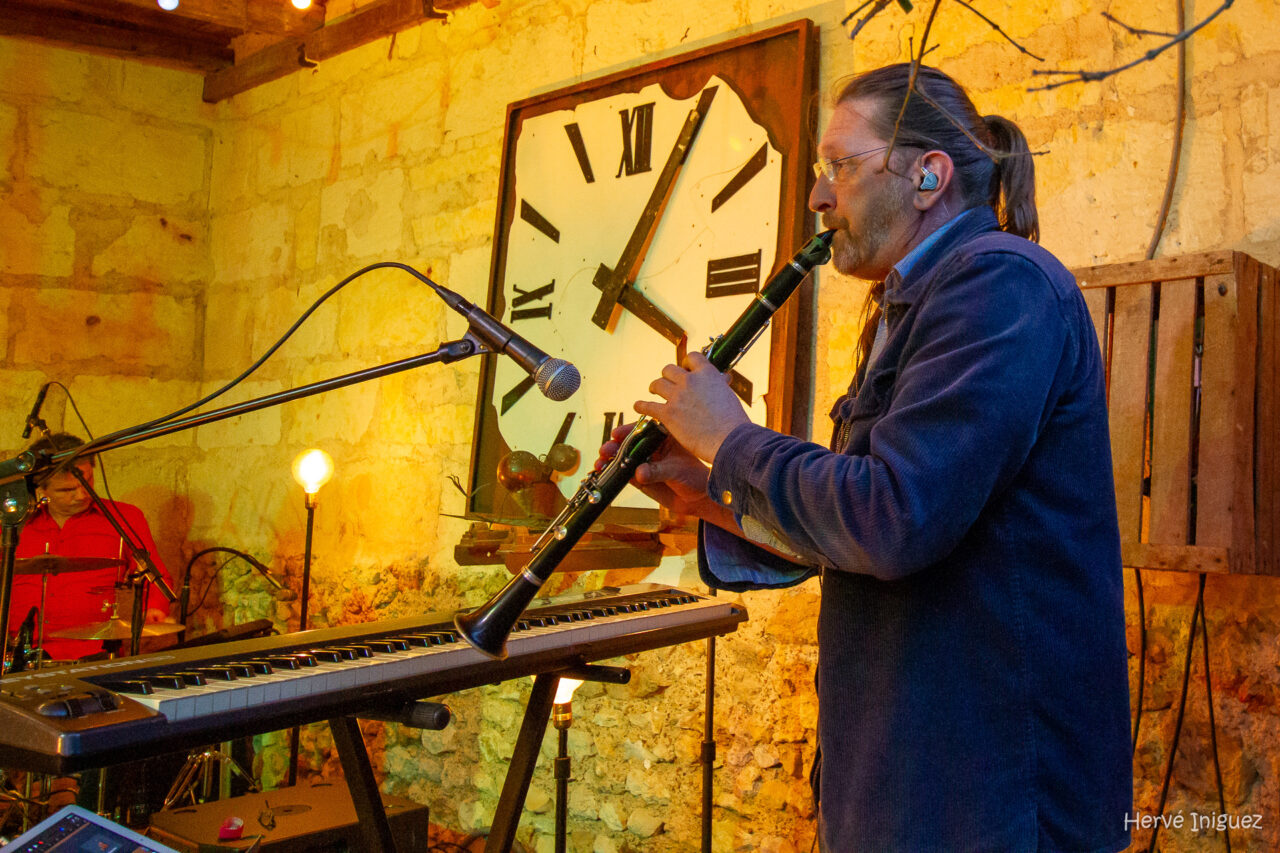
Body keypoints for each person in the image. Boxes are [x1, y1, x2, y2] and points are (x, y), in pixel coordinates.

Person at [599, 64, 1132, 851]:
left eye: (840, 166)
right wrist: (704, 482)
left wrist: (730, 439)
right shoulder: (914, 301)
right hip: (912, 780)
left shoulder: (1000, 286)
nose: (818, 196)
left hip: (992, 796)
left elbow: (893, 517)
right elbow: (852, 537)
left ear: (928, 175)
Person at [10, 432, 174, 661]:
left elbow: (155, 577)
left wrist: (155, 607)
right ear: (41, 488)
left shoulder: (124, 517)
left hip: (93, 655)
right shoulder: (13, 525)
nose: (81, 494)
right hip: (17, 655)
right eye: (67, 490)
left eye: (87, 482)